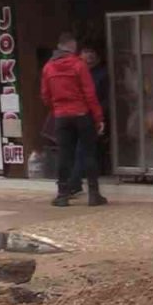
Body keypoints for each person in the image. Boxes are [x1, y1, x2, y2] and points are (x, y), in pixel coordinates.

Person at [41, 33, 105, 207]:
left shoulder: (48, 67)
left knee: (64, 154)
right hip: (81, 115)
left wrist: (57, 110)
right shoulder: (79, 65)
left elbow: (45, 96)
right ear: (71, 47)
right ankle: (94, 195)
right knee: (89, 153)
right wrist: (98, 118)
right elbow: (90, 94)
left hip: (61, 117)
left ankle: (62, 195)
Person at [68, 45, 110, 196]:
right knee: (76, 150)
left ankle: (74, 183)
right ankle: (78, 183)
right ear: (80, 55)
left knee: (82, 150)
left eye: (92, 51)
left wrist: (99, 115)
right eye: (86, 52)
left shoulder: (102, 74)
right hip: (75, 115)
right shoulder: (75, 72)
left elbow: (104, 98)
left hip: (91, 116)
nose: (89, 55)